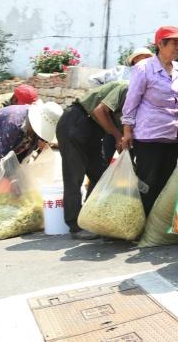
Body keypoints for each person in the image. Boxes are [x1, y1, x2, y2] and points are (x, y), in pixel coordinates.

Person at [121, 26, 178, 216]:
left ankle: (156, 227)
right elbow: (131, 101)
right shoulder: (144, 68)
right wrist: (127, 130)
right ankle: (140, 222)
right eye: (174, 43)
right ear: (160, 44)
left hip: (173, 136)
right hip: (149, 135)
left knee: (166, 182)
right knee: (147, 182)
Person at [0, 101, 63, 234]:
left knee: (2, 183)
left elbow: (21, 157)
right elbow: (5, 158)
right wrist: (13, 183)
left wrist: (19, 180)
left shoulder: (33, 130)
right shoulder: (14, 123)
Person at [55, 80, 129, 240]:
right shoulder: (126, 88)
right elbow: (99, 111)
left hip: (94, 130)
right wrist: (117, 136)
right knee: (74, 177)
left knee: (100, 176)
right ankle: (75, 226)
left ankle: (87, 217)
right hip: (76, 122)